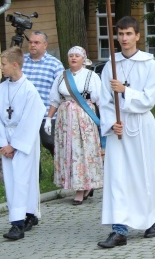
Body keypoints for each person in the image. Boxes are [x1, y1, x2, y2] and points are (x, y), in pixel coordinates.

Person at [98, 16, 155, 248]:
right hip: (118, 127)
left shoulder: (148, 64)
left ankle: (151, 217)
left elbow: (149, 99)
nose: (124, 38)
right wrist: (110, 122)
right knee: (118, 176)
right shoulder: (110, 65)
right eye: (120, 34)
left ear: (137, 35)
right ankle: (119, 230)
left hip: (140, 124)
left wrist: (125, 91)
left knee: (143, 173)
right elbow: (104, 99)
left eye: (128, 34)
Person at [0, 46, 46, 240]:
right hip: (6, 140)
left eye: (3, 64)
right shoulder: (1, 88)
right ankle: (29, 214)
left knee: (23, 179)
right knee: (12, 181)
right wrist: (1, 143)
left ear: (15, 65)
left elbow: (31, 119)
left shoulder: (29, 90)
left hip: (23, 140)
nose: (1, 67)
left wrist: (14, 145)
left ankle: (17, 224)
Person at [45, 46, 103, 205]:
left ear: (83, 59)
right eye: (71, 55)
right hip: (65, 119)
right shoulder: (61, 76)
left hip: (84, 119)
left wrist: (104, 120)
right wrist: (48, 119)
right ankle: (79, 185)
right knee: (69, 151)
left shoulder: (91, 76)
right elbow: (55, 99)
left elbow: (100, 100)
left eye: (77, 55)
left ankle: (82, 187)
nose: (73, 58)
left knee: (83, 151)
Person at [22, 31, 64, 159]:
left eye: (36, 42)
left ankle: (60, 172)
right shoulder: (21, 61)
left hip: (46, 114)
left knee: (50, 143)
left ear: (45, 45)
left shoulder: (55, 64)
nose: (32, 45)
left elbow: (61, 90)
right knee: (27, 148)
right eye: (30, 42)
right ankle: (35, 176)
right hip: (26, 114)